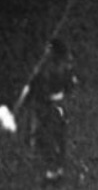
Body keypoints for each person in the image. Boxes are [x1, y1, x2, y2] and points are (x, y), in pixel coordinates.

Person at [27, 38, 78, 185]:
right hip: (51, 106)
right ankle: (55, 168)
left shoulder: (55, 68)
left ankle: (54, 169)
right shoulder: (60, 66)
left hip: (49, 107)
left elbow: (42, 87)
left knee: (49, 136)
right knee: (53, 136)